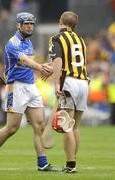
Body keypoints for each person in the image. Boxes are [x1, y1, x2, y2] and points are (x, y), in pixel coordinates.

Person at [0, 12, 53, 172]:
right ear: (18, 25)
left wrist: (43, 66)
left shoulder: (28, 42)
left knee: (39, 125)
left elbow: (31, 63)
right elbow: (25, 61)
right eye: (26, 24)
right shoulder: (12, 43)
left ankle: (42, 164)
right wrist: (42, 67)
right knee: (11, 128)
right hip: (17, 88)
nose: (29, 26)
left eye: (31, 24)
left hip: (31, 87)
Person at [48, 11, 89, 173]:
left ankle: (71, 165)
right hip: (83, 82)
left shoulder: (57, 38)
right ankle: (72, 161)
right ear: (75, 25)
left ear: (60, 22)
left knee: (66, 126)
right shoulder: (81, 40)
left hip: (69, 82)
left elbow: (58, 61)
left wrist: (56, 83)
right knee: (75, 126)